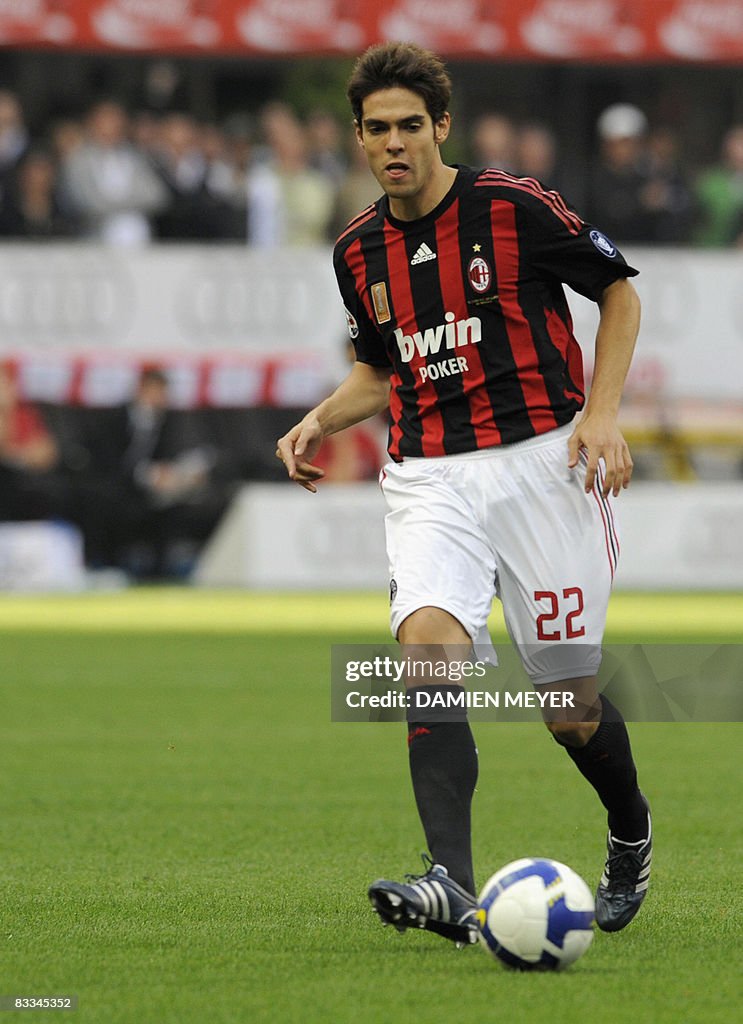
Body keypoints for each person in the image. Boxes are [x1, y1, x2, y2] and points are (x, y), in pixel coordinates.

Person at [276, 42, 650, 947]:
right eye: (377, 129)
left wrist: (601, 416)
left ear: (440, 126)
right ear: (359, 140)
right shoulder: (356, 251)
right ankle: (448, 878)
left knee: (567, 706)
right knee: (428, 656)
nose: (394, 143)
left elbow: (620, 295)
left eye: (410, 125)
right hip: (428, 475)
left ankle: (629, 831)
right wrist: (322, 419)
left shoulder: (513, 207)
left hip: (542, 465)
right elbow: (381, 370)